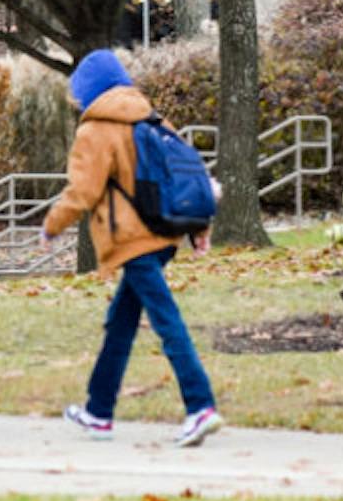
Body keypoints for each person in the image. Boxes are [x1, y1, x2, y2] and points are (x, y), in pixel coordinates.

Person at [42, 48, 222, 448]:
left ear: (90, 91)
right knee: (120, 322)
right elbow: (185, 174)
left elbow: (84, 190)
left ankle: (200, 406)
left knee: (166, 319)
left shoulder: (95, 130)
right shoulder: (153, 118)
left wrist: (52, 225)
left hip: (132, 241)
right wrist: (199, 229)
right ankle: (99, 410)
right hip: (163, 237)